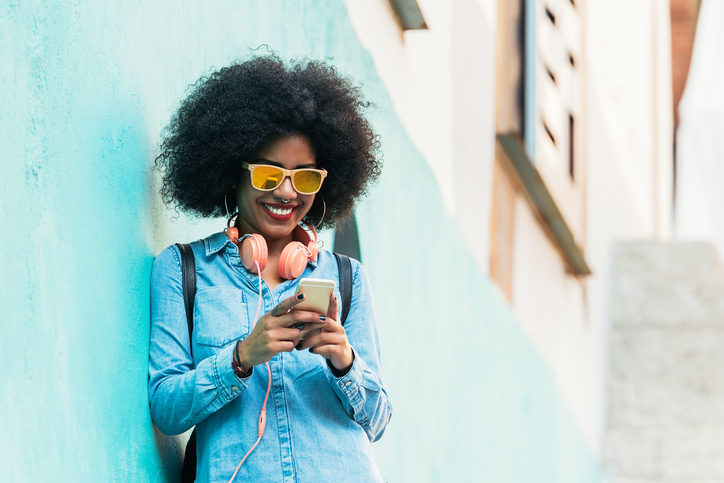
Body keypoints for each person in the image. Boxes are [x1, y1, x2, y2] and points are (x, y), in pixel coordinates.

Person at [148, 55, 392, 483]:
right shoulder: (183, 270)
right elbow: (166, 407)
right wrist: (242, 357)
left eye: (306, 179)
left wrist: (343, 360)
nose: (286, 192)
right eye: (267, 175)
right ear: (232, 173)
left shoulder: (348, 278)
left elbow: (378, 419)